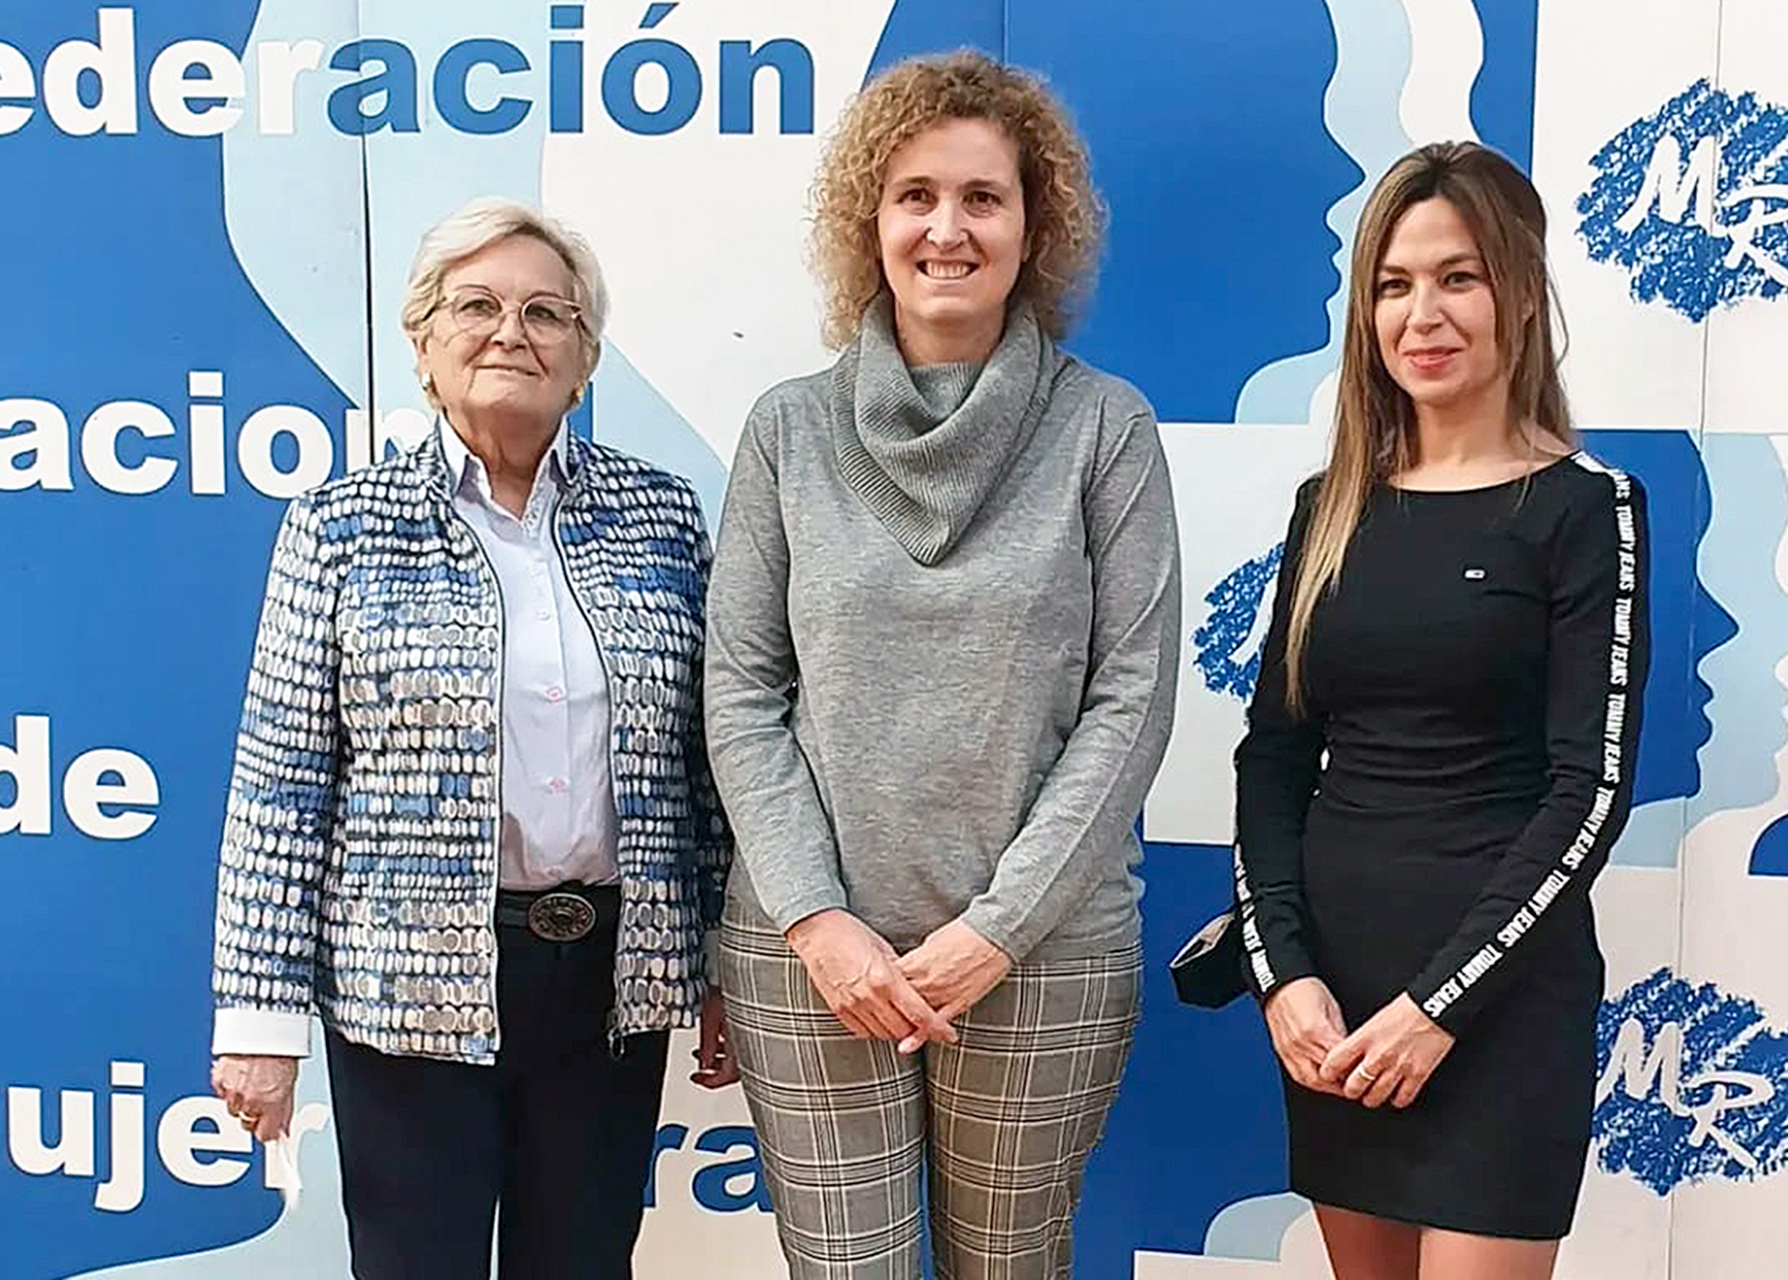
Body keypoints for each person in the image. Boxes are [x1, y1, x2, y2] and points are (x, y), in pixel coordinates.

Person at [703, 51, 1181, 1279]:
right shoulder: (788, 430)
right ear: (871, 222)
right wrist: (819, 922)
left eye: (983, 198)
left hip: (1042, 952)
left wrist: (996, 931)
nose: (947, 229)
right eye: (915, 195)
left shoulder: (1106, 428)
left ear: (1035, 227)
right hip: (815, 957)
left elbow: (1131, 700)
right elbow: (742, 692)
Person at [207, 197, 734, 1280]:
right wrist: (258, 1020)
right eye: (477, 306)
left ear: (585, 357)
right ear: (423, 343)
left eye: (546, 312)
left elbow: (710, 762)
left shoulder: (664, 515)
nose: (511, 333)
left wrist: (727, 961)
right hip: (404, 987)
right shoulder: (341, 525)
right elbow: (281, 783)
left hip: (610, 981)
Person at [1232, 141, 1649, 1280]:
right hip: (1339, 1006)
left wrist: (1440, 1005)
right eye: (1394, 284)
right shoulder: (1329, 507)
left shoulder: (1588, 509)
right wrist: (1285, 976)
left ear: (1520, 293)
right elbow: (1273, 759)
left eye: (1458, 277)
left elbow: (1589, 791)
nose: (1423, 315)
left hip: (1499, 1010)